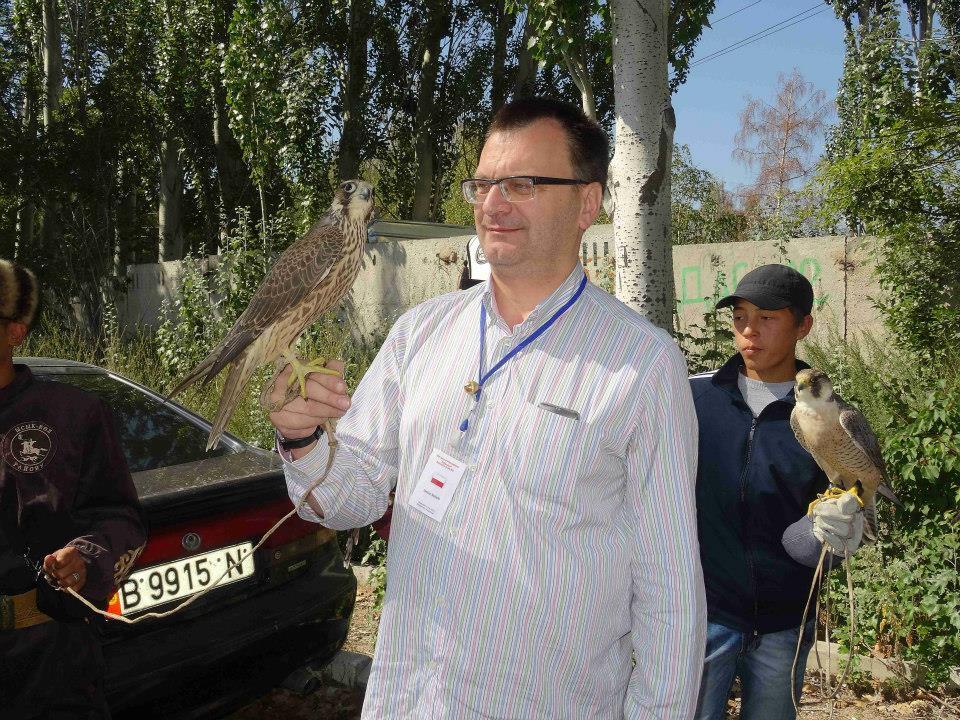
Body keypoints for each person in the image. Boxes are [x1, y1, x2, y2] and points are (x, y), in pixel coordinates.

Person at [267, 97, 706, 719]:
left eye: (522, 184)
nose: (493, 204)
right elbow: (350, 498)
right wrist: (304, 439)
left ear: (587, 203)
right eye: (483, 185)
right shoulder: (418, 334)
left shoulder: (643, 365)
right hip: (408, 703)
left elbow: (670, 587)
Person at [690, 264, 865, 720]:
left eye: (767, 318)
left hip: (786, 619)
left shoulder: (829, 416)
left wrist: (838, 531)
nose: (749, 330)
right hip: (701, 614)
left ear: (803, 325)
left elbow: (845, 499)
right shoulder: (692, 397)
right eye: (740, 317)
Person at [0, 259, 146, 719]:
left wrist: (86, 557)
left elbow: (122, 519)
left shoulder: (71, 415)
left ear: (14, 332)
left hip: (47, 659)